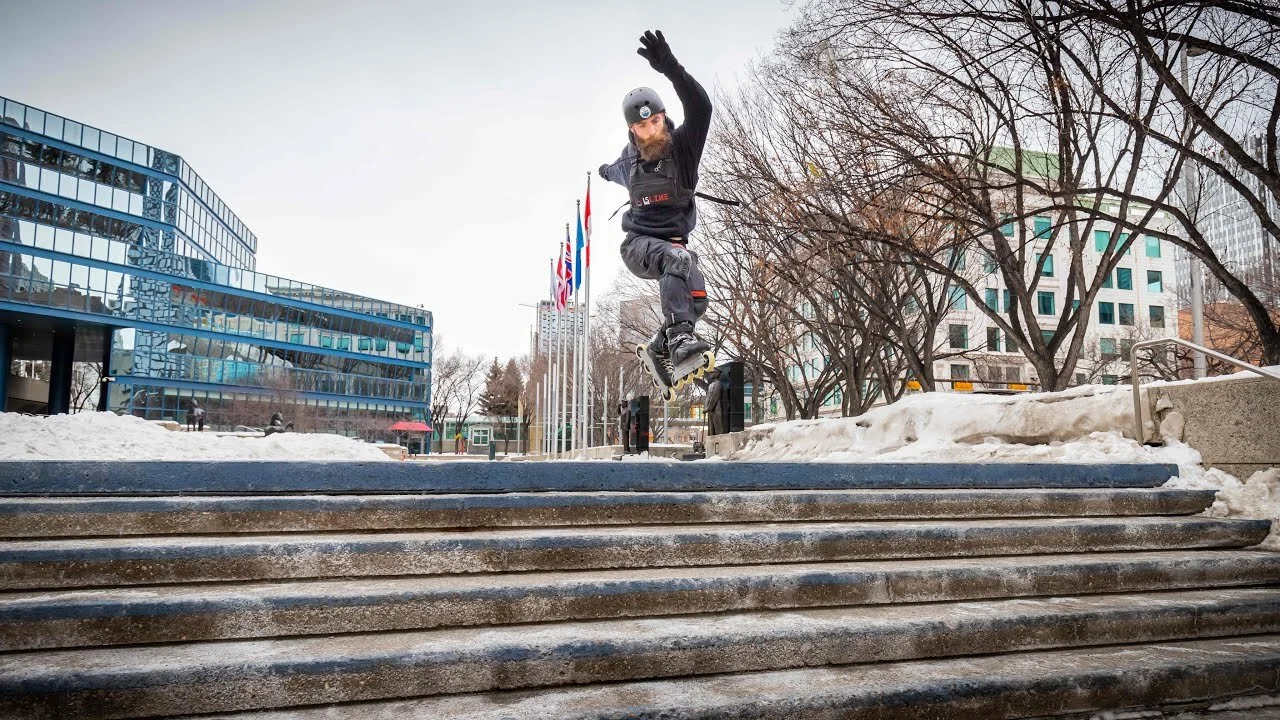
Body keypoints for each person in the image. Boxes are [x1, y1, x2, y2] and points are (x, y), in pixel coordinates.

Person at [599, 30, 712, 379]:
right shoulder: (627, 164)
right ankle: (679, 341)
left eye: (656, 122)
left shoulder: (684, 148)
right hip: (638, 246)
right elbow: (612, 171)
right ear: (632, 130)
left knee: (696, 301)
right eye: (643, 126)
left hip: (675, 246)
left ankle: (658, 346)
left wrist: (672, 69)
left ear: (664, 118)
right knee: (677, 259)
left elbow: (701, 108)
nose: (651, 131)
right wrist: (603, 172)